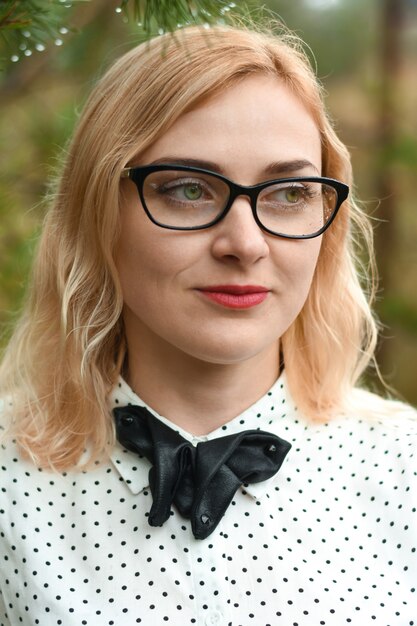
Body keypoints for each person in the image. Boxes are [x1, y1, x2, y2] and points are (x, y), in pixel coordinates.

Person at [0, 21, 416, 626]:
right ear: (97, 211)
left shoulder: (405, 468)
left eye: (288, 192)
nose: (245, 244)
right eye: (189, 189)